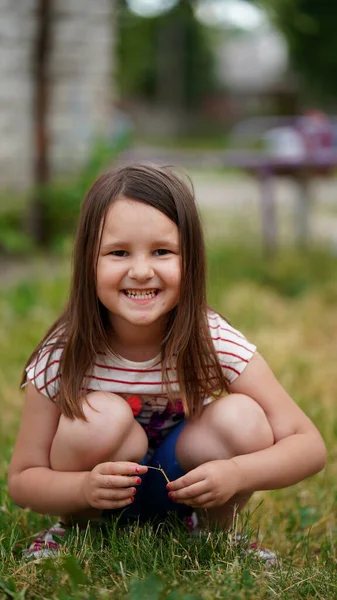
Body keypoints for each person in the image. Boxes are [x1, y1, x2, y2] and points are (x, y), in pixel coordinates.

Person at [8, 163, 326, 562]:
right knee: (99, 415)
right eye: (119, 252)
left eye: (162, 251)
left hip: (185, 491)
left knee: (243, 414)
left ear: (190, 259)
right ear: (88, 260)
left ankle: (215, 535)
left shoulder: (210, 341)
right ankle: (77, 530)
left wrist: (238, 474)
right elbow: (23, 479)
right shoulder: (64, 353)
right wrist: (81, 490)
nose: (141, 271)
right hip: (95, 498)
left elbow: (309, 446)